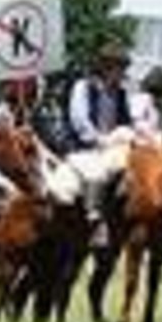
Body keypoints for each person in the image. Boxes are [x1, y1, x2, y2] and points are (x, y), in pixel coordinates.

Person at [67, 43, 135, 246]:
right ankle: (94, 220)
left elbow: (126, 123)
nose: (123, 73)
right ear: (106, 66)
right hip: (86, 146)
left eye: (124, 68)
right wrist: (100, 140)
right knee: (96, 174)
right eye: (120, 67)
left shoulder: (121, 94)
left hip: (114, 147)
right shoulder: (83, 87)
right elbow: (79, 121)